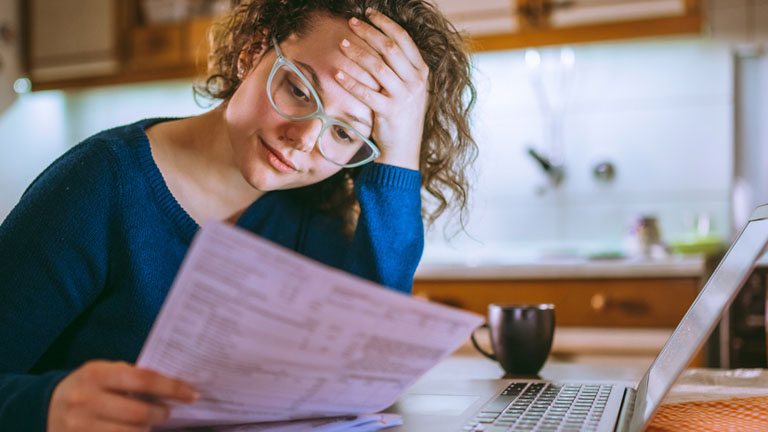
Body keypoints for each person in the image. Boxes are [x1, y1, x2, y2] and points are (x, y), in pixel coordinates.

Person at [0, 0, 477, 430]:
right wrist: (46, 406)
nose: (304, 139)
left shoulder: (312, 214)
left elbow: (369, 376)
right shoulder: (100, 184)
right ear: (252, 52)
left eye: (345, 135)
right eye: (297, 89)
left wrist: (399, 153)